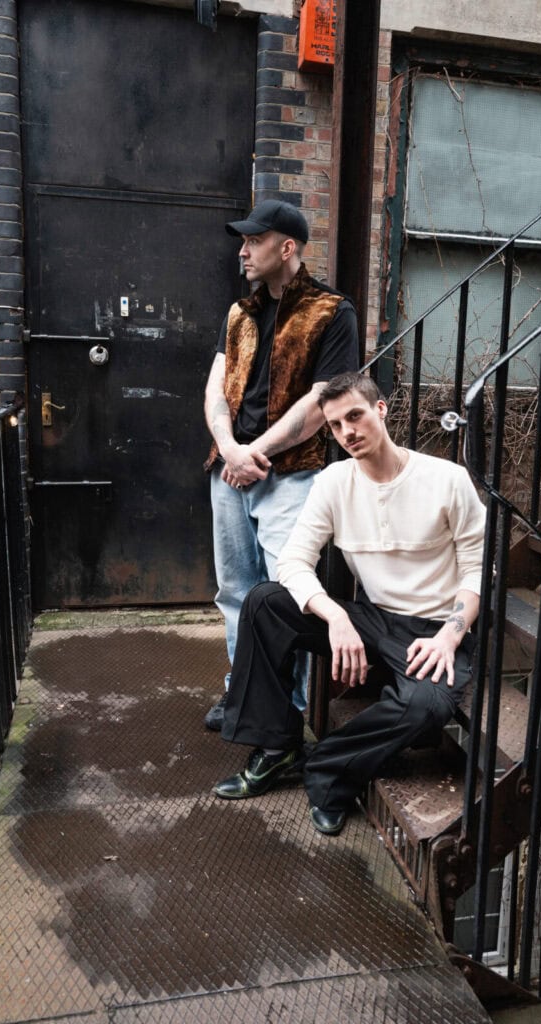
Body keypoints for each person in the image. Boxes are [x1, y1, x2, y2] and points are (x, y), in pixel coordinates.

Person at [211, 371, 486, 836]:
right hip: (371, 618)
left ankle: (330, 770)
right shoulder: (334, 482)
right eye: (336, 425)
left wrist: (449, 635)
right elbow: (293, 562)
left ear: (380, 410)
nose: (348, 433)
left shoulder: (447, 480)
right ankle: (277, 747)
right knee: (264, 602)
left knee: (427, 706)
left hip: (432, 629)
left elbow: (478, 571)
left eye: (355, 417)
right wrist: (335, 615)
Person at [203, 200, 359, 730]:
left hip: (291, 477)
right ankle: (240, 694)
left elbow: (321, 405)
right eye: (242, 241)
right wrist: (229, 447)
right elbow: (214, 390)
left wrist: (254, 454)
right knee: (235, 594)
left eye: (254, 240)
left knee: (286, 597)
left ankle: (287, 710)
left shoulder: (332, 312)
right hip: (229, 474)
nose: (242, 251)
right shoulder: (239, 314)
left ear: (286, 247)